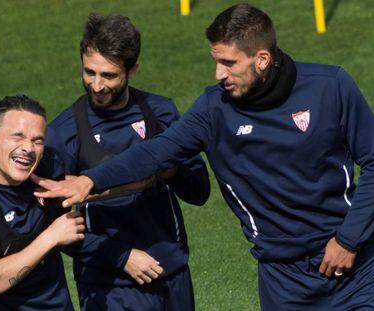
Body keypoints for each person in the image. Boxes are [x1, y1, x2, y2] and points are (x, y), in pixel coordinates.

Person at [34, 3, 374, 310]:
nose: (218, 74)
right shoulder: (214, 109)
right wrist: (91, 179)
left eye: (228, 63)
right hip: (282, 280)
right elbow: (156, 151)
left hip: (354, 267)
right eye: (216, 61)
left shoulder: (330, 87)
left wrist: (348, 239)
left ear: (262, 59)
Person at [41, 13, 210, 311]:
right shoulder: (64, 132)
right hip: (109, 285)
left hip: (171, 272)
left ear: (133, 71)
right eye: (89, 72)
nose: (96, 85)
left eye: (108, 75)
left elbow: (199, 191)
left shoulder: (161, 112)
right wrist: (121, 257)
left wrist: (165, 170)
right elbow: (55, 225)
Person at [0, 95, 85, 310]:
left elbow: (81, 187)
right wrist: (52, 236)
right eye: (17, 137)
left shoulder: (48, 167)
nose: (28, 148)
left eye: (37, 140)